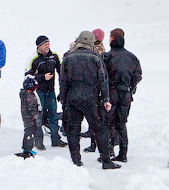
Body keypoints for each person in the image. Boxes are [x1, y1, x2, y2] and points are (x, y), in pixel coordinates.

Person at [59, 31, 120, 169]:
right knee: (100, 129)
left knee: (73, 130)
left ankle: (76, 161)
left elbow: (63, 81)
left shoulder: (68, 58)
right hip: (91, 100)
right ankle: (106, 160)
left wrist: (63, 99)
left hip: (72, 99)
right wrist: (106, 99)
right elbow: (103, 80)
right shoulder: (96, 58)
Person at [104, 28, 142, 162]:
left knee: (108, 122)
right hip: (125, 93)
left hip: (112, 92)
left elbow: (103, 75)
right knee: (121, 124)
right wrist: (130, 87)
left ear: (112, 39)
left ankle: (108, 151)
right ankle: (123, 153)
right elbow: (138, 75)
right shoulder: (132, 57)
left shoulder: (108, 56)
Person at [27, 35, 67, 147]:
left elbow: (61, 71)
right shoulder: (34, 59)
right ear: (39, 46)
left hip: (51, 91)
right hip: (39, 91)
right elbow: (28, 76)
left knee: (53, 115)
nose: (47, 46)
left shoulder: (54, 56)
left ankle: (56, 139)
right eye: (45, 44)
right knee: (39, 115)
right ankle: (39, 141)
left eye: (48, 44)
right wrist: (42, 77)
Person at [83, 28, 110, 154]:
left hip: (94, 88)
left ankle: (95, 144)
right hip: (100, 88)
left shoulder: (94, 50)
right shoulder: (103, 49)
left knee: (96, 118)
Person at [18, 75, 44, 157]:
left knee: (28, 132)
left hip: (27, 117)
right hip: (30, 118)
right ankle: (27, 149)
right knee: (30, 132)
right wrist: (37, 117)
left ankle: (27, 148)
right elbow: (32, 108)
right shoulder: (30, 96)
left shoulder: (26, 95)